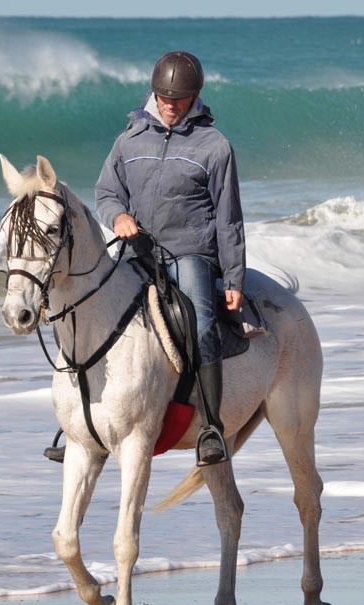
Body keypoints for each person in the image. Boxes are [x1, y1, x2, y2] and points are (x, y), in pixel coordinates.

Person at [95, 51, 246, 465]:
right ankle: (85, 419)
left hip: (189, 252)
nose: (170, 105)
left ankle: (212, 427)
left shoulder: (214, 146)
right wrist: (119, 216)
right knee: (95, 310)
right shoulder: (129, 139)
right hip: (138, 252)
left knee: (199, 319)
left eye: (178, 99)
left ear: (195, 96)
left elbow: (229, 217)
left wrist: (233, 278)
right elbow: (106, 193)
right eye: (164, 97)